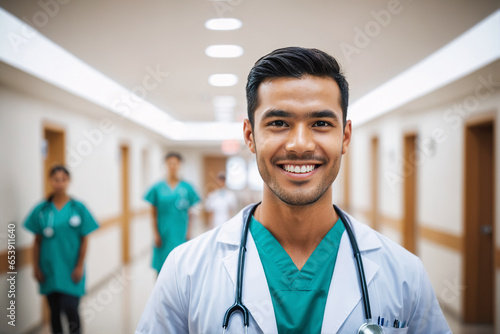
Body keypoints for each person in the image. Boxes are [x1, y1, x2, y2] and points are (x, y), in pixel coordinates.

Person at [136, 47, 451, 333]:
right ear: (250, 135)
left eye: (321, 124)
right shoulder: (185, 271)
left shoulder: (405, 275)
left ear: (345, 136)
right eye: (278, 123)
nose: (300, 144)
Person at [24, 165, 99, 334]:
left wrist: (80, 265)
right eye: (55, 179)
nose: (59, 183)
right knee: (54, 312)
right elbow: (36, 241)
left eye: (63, 179)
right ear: (50, 181)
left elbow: (85, 239)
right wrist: (35, 267)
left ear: (68, 181)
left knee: (71, 309)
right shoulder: (42, 209)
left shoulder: (78, 207)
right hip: (49, 268)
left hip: (72, 269)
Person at [144, 152, 200, 274]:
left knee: (181, 266)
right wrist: (155, 234)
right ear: (166, 165)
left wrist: (189, 231)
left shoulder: (187, 187)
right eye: (170, 163)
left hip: (181, 232)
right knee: (162, 267)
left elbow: (191, 213)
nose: (172, 166)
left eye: (175, 163)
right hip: (163, 233)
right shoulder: (157, 188)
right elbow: (153, 213)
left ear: (180, 165)